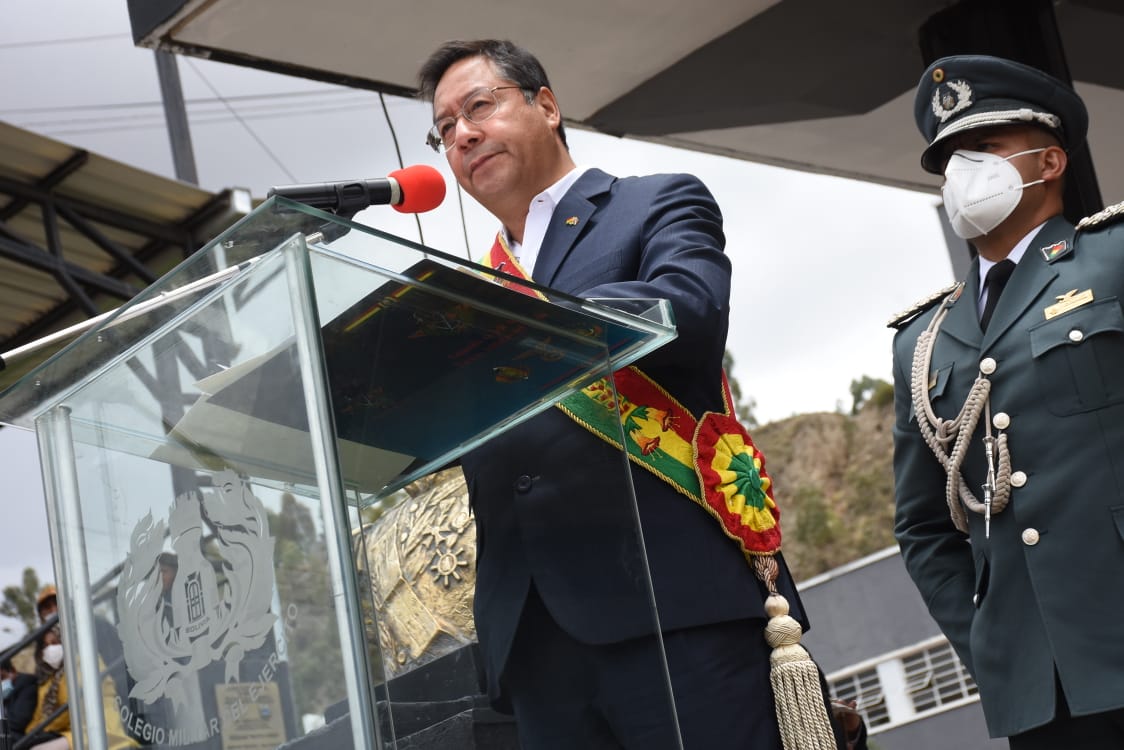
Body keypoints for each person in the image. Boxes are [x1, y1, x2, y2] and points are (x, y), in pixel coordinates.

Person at [417, 39, 840, 750]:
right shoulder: (470, 298)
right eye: (445, 129)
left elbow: (690, 311)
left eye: (480, 106)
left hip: (671, 608)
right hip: (535, 640)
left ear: (546, 106)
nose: (462, 135)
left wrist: (523, 327)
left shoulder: (654, 203)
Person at [890, 54, 1124, 749]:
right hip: (1042, 689)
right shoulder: (922, 341)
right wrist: (995, 641)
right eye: (950, 159)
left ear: (1049, 161)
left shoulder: (1110, 260)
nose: (964, 172)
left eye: (984, 149)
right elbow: (925, 527)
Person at [22, 626, 135, 750]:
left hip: (100, 730)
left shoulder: (84, 662)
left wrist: (43, 729)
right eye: (46, 646)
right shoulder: (49, 679)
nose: (50, 649)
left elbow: (69, 710)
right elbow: (39, 714)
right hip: (70, 732)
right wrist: (31, 732)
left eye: (55, 643)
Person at [2, 656, 38, 738]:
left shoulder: (26, 684)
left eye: (2, 678)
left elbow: (18, 722)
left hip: (21, 737)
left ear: (13, 671)